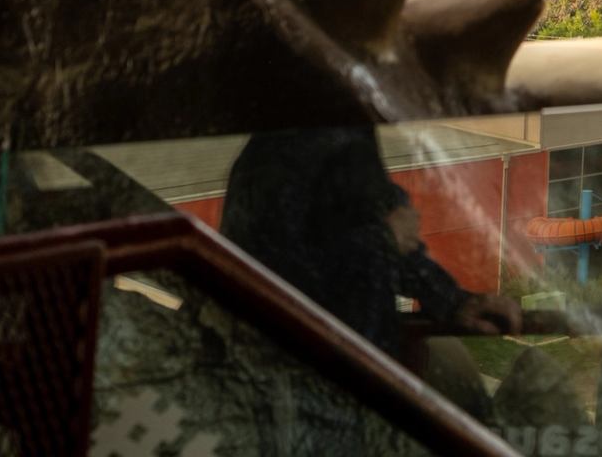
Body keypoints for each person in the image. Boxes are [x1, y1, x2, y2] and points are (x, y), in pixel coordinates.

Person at [221, 127, 520, 360]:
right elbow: (273, 276)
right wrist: (384, 239)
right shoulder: (290, 149)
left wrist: (451, 300)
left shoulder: (347, 135)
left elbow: (381, 225)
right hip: (298, 374)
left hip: (351, 370)